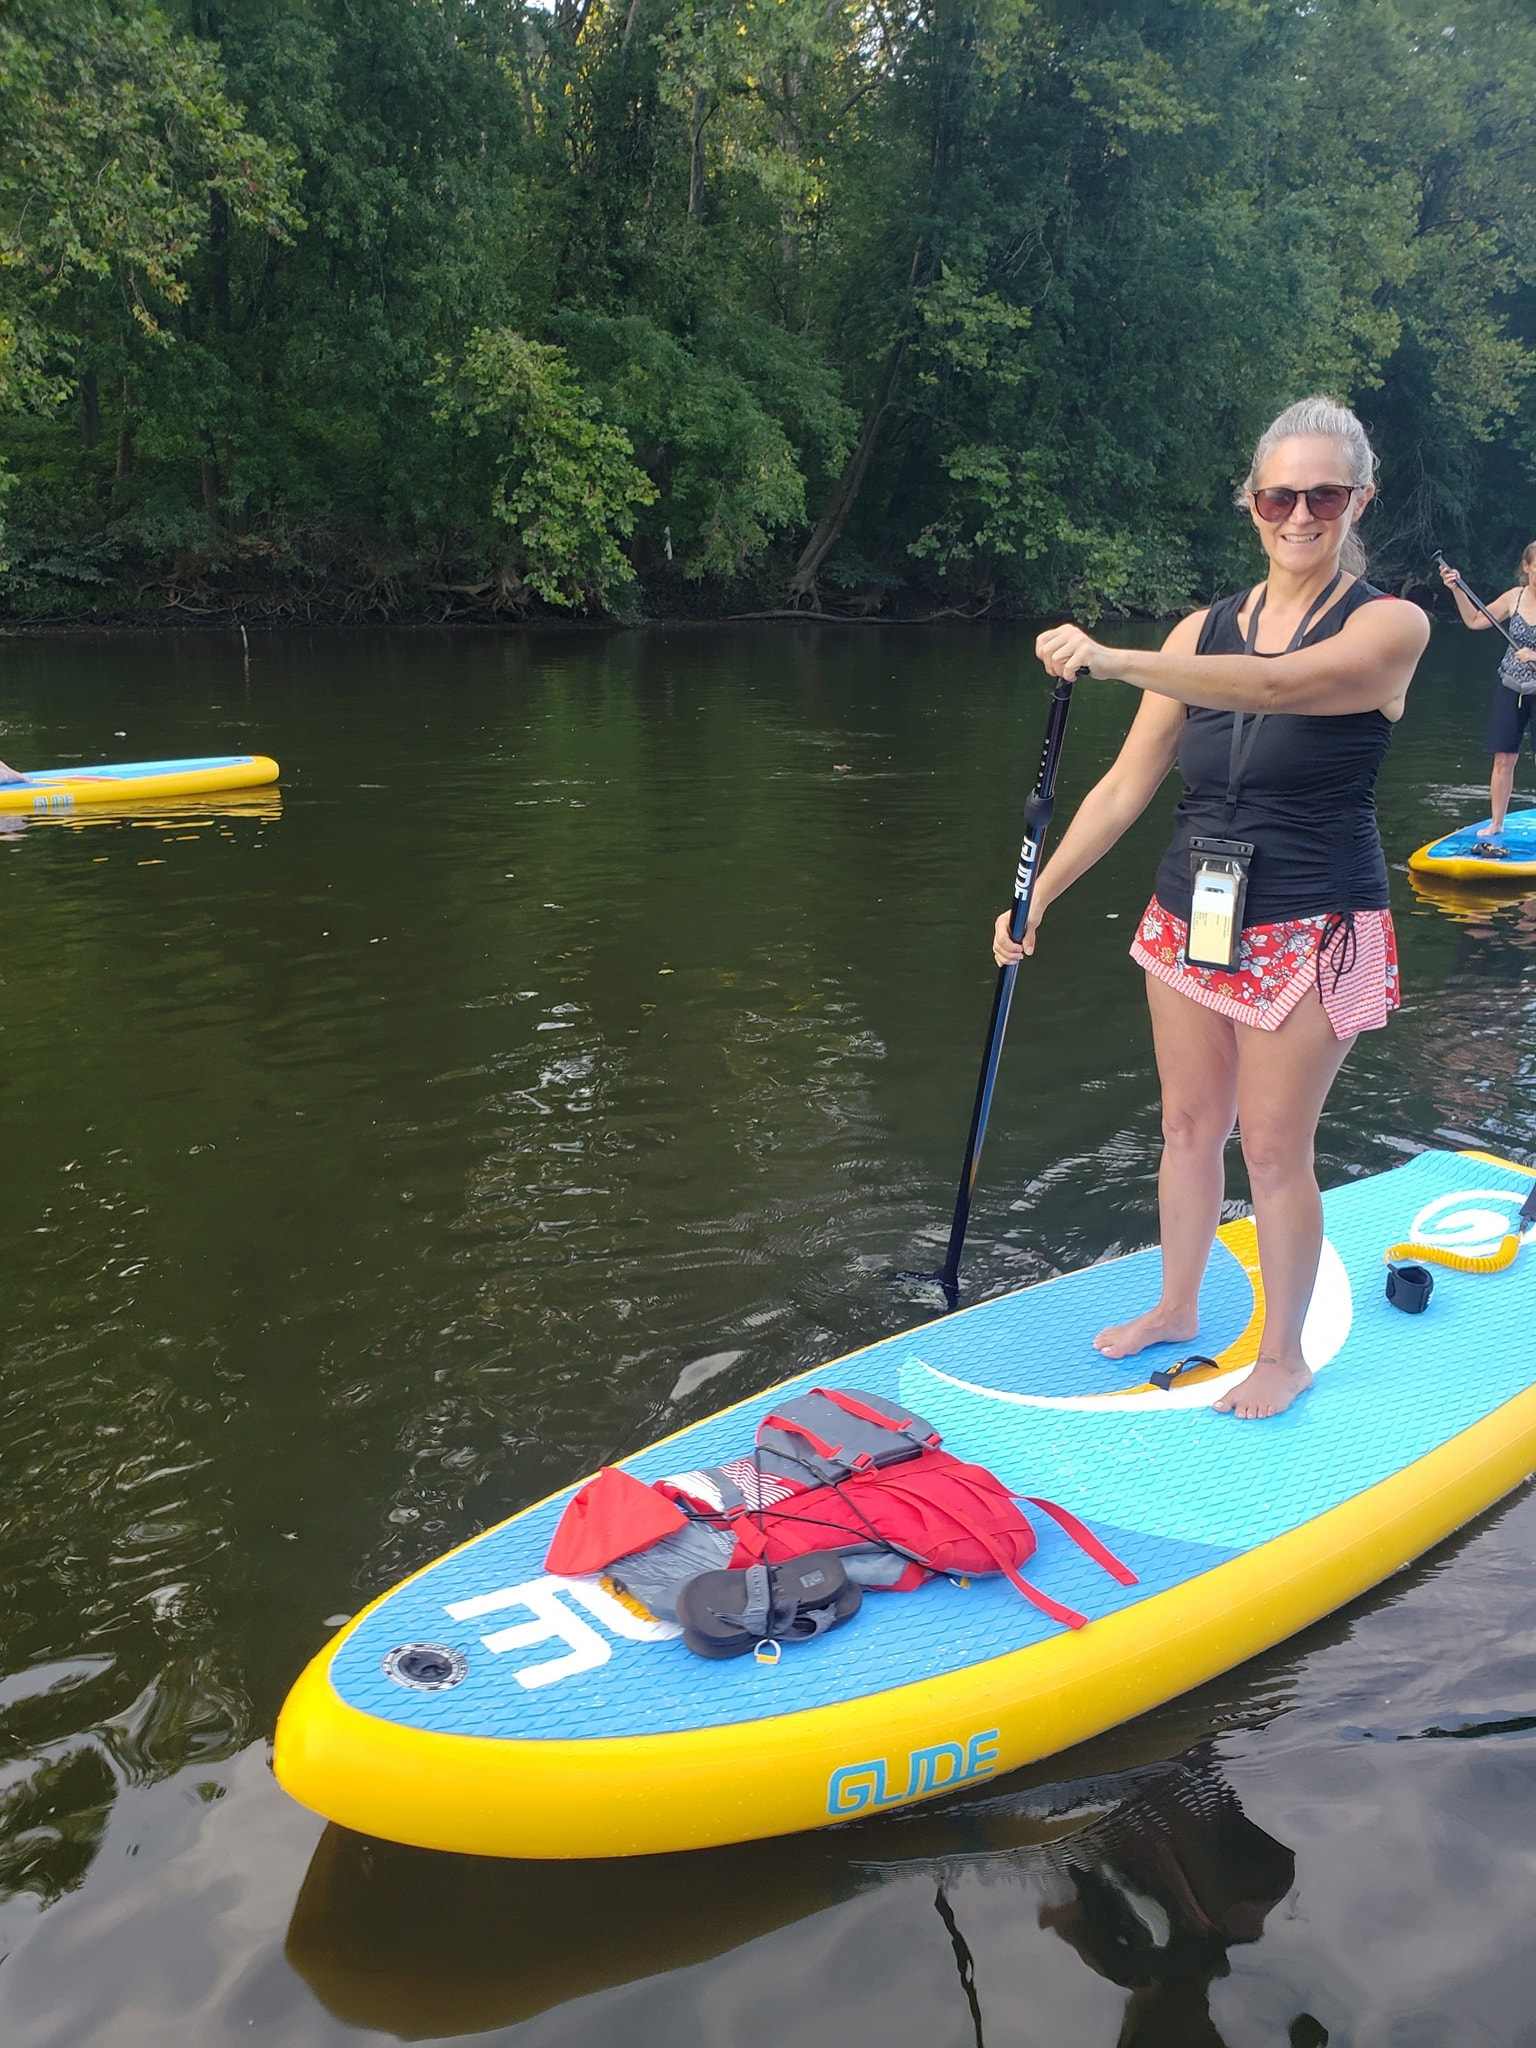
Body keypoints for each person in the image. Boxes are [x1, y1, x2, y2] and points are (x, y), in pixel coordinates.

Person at [994, 395, 1429, 1419]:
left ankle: (1283, 1351)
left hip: (1314, 919)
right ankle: (1178, 1305)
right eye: (1279, 493)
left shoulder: (1391, 625)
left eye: (1324, 493)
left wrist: (1112, 656)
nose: (1299, 514)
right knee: (1188, 1125)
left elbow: (1275, 689)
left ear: (1358, 498)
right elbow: (1122, 786)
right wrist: (1034, 897)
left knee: (1275, 1149)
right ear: (1252, 502)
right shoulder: (1203, 627)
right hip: (1191, 913)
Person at [1437, 544, 1536, 844]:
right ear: (1527, 566)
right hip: (1509, 685)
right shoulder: (1513, 597)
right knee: (1504, 758)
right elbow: (1475, 621)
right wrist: (1457, 590)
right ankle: (1496, 823)